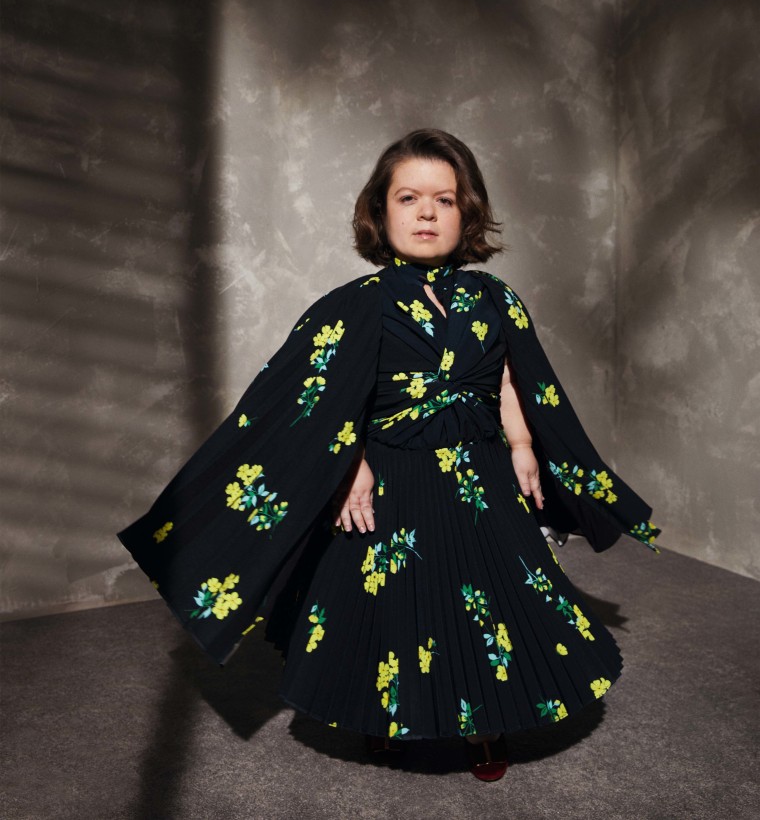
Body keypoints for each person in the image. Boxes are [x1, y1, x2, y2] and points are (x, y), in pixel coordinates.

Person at [118, 128, 659, 782]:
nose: (427, 212)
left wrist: (521, 445)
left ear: (470, 214)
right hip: (393, 479)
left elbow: (517, 380)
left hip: (478, 477)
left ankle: (486, 724)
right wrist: (353, 467)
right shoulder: (358, 307)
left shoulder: (496, 299)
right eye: (408, 198)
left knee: (486, 601)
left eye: (445, 199)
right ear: (379, 213)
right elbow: (322, 400)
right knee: (393, 608)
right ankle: (387, 719)